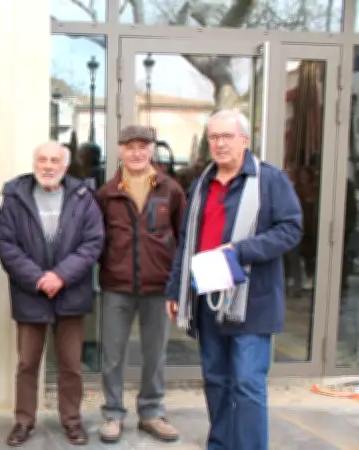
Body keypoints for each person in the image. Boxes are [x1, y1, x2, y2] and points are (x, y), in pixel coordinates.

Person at [166, 109, 303, 450]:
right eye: (214, 137)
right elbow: (187, 242)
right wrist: (175, 289)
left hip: (252, 303)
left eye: (227, 136)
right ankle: (221, 444)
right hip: (207, 299)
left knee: (246, 384)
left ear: (245, 140)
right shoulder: (200, 185)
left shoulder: (270, 180)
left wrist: (240, 250)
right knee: (216, 381)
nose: (220, 143)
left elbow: (291, 229)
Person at [0, 141, 104, 446]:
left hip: (71, 293)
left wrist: (61, 275)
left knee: (71, 364)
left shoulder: (83, 197)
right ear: (34, 163)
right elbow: (6, 243)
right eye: (42, 159)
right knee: (27, 364)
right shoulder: (16, 197)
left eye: (55, 160)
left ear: (65, 166)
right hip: (31, 292)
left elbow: (93, 242)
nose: (48, 166)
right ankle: (23, 421)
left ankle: (72, 421)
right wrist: (38, 278)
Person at [94, 125, 187, 443]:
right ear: (120, 151)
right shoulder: (107, 193)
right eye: (130, 147)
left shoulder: (170, 190)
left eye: (142, 147)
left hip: (158, 286)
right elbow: (96, 240)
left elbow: (182, 237)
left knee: (155, 353)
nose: (136, 153)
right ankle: (113, 413)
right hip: (116, 285)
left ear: (152, 150)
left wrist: (176, 285)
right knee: (113, 354)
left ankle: (151, 412)